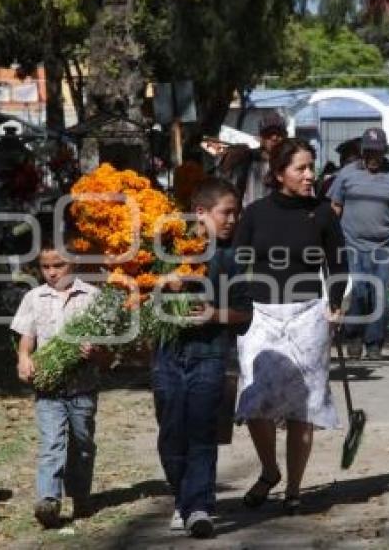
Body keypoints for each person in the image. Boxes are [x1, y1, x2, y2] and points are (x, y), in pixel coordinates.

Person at [233, 138, 348, 515]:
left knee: (304, 406)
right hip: (261, 315)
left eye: (311, 167)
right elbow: (238, 263)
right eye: (301, 168)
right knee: (253, 402)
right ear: (279, 172)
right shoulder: (255, 214)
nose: (309, 175)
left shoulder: (323, 212)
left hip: (308, 315)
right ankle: (270, 471)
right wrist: (241, 303)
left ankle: (294, 490)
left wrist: (335, 302)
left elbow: (338, 263)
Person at [152, 178, 251, 539]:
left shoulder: (234, 257)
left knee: (202, 432)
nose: (232, 219)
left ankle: (199, 506)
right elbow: (139, 292)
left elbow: (245, 313)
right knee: (171, 433)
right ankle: (183, 497)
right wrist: (164, 284)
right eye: (226, 212)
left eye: (236, 213)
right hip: (168, 355)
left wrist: (214, 315)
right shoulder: (165, 248)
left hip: (210, 355)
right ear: (200, 213)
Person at [11, 238, 112, 527]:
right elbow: (26, 338)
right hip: (48, 387)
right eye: (46, 267)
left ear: (75, 263)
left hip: (83, 387)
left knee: (81, 443)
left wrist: (95, 351)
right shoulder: (34, 298)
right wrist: (24, 358)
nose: (52, 272)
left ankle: (80, 495)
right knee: (51, 442)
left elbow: (107, 353)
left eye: (59, 265)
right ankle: (49, 500)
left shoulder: (93, 297)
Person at [328, 127, 389, 360]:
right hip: (351, 244)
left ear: (384, 152)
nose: (372, 157)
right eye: (368, 152)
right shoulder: (346, 174)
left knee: (378, 296)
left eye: (377, 152)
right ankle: (354, 336)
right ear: (362, 152)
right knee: (357, 292)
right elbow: (334, 208)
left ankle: (374, 343)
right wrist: (325, 238)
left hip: (384, 246)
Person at [218, 111, 287, 207]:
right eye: (268, 134)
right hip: (249, 216)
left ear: (285, 137)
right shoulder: (247, 158)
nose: (274, 138)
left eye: (279, 134)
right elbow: (224, 182)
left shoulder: (289, 163)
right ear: (260, 138)